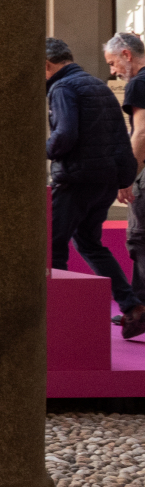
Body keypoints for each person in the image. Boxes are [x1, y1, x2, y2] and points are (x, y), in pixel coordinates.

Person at [47, 36, 145, 338]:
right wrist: (123, 177)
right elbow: (120, 136)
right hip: (104, 181)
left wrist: (42, 150)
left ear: (46, 65)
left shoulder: (62, 87)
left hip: (76, 179)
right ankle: (132, 305)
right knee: (89, 242)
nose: (112, 70)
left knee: (53, 246)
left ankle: (57, 319)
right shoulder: (97, 85)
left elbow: (65, 134)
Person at [108, 30, 145, 331]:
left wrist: (127, 177)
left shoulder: (139, 84)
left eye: (113, 63)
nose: (113, 71)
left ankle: (140, 310)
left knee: (140, 239)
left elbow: (141, 132)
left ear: (127, 55)